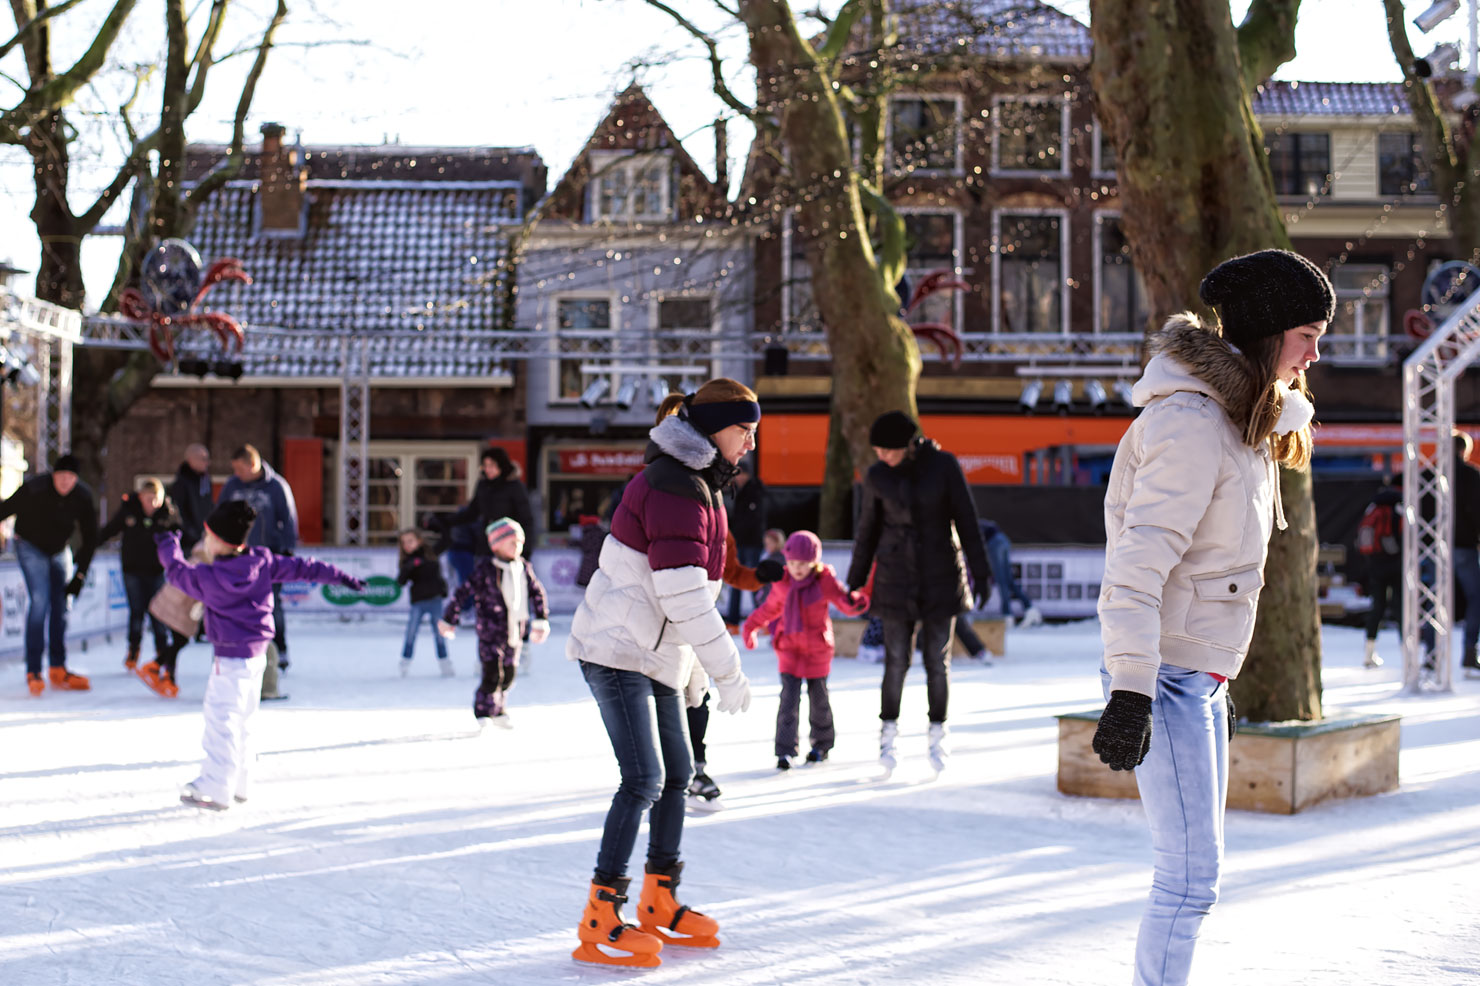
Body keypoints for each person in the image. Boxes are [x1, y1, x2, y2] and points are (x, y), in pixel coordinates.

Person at [1092, 248, 1330, 986]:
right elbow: (1137, 564)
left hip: (1195, 677)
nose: (1317, 353)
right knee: (1190, 879)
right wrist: (1132, 689)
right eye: (1306, 335)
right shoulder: (1194, 425)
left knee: (1196, 876)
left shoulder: (1243, 422)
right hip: (1164, 678)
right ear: (1265, 333)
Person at [565, 378, 758, 968]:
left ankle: (660, 900)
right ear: (712, 428)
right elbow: (684, 597)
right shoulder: (674, 484)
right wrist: (727, 670)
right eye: (743, 430)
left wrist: (695, 669)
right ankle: (601, 915)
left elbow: (696, 590)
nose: (750, 443)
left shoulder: (703, 485)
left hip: (658, 654)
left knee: (679, 774)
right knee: (644, 779)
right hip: (618, 650)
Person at [157, 500, 364, 810]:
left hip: (229, 659)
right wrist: (341, 576)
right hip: (257, 657)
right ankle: (240, 781)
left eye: (207, 536)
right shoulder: (262, 562)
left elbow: (175, 570)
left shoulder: (209, 578)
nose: (204, 542)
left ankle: (216, 785)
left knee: (221, 718)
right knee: (244, 719)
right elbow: (306, 568)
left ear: (220, 541)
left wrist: (166, 537)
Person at [846, 411, 992, 774]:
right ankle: (888, 735)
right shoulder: (877, 476)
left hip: (940, 575)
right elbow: (868, 531)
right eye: (877, 449)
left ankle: (937, 735)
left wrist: (982, 572)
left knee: (936, 662)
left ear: (909, 445)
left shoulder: (943, 466)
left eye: (888, 449)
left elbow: (967, 521)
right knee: (895, 661)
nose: (882, 455)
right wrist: (854, 580)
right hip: (895, 579)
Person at [742, 530, 868, 769]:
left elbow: (844, 602)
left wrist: (858, 600)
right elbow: (768, 610)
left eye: (803, 563)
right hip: (789, 650)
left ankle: (821, 744)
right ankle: (785, 750)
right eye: (792, 563)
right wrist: (750, 627)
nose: (797, 568)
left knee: (819, 700)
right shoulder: (783, 583)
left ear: (814, 562)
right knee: (788, 702)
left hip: (817, 651)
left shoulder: (824, 582)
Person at [687, 527, 784, 810]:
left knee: (698, 697)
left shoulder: (720, 524)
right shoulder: (670, 502)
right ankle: (657, 776)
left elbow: (731, 571)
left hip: (699, 622)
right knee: (666, 699)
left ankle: (696, 770)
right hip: (660, 624)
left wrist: (758, 577)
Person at [0, 453, 99, 695]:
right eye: (61, 476)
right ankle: (34, 670)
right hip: (30, 545)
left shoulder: (83, 497)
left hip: (59, 549)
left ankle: (58, 666)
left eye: (71, 477)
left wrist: (80, 577)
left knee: (62, 604)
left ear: (76, 479)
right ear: (53, 475)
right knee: (40, 602)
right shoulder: (35, 488)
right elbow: (5, 509)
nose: (65, 482)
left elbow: (90, 539)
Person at [438, 518, 550, 727]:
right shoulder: (486, 569)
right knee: (491, 673)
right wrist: (449, 618)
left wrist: (541, 619)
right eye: (511, 542)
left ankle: (499, 710)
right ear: (497, 545)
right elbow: (463, 592)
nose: (517, 547)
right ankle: (483, 712)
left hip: (514, 630)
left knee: (508, 674)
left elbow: (537, 593)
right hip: (489, 631)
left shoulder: (523, 568)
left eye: (520, 542)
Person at [97, 478, 188, 694]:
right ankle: (133, 650)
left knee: (159, 614)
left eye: (155, 500)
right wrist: (90, 545)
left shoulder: (168, 513)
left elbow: (182, 534)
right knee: (136, 612)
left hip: (157, 571)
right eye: (148, 499)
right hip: (132, 570)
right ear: (141, 497)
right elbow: (110, 529)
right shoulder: (130, 510)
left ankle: (160, 654)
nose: (152, 504)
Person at [217, 444, 298, 681]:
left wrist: (286, 555)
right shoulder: (232, 486)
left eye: (240, 469)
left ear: (252, 464)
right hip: (236, 558)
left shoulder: (276, 487)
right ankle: (241, 652)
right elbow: (219, 516)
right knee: (236, 605)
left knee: (270, 606)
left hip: (267, 559)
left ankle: (278, 650)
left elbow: (289, 522)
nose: (237, 474)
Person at [440, 446, 536, 561]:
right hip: (486, 544)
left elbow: (526, 519)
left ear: (501, 465)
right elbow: (472, 512)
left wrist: (525, 549)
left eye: (491, 465)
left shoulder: (515, 487)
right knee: (483, 576)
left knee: (505, 578)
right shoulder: (483, 486)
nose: (487, 469)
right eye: (485, 466)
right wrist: (445, 520)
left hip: (508, 545)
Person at [1356, 474, 1403, 669]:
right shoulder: (1399, 505)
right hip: (1396, 563)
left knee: (1377, 606)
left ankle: (1369, 652)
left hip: (1375, 563)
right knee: (1401, 607)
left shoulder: (1373, 506)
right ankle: (1408, 653)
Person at [397, 528, 453, 678]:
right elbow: (400, 582)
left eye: (410, 541)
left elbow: (447, 540)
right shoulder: (407, 561)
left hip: (435, 600)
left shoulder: (431, 554)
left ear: (419, 540)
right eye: (404, 543)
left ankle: (445, 663)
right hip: (418, 603)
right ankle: (405, 663)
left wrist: (438, 523)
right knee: (411, 633)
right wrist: (409, 567)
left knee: (440, 634)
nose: (407, 545)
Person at [1449, 432, 1480, 679]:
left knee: (1433, 598)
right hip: (1465, 546)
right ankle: (1469, 651)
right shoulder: (1472, 476)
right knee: (1475, 598)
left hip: (1435, 546)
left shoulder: (1429, 475)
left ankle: (1430, 654)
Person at [722, 460, 766, 626]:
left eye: (740, 475)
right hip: (741, 542)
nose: (738, 479)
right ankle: (734, 619)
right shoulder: (742, 491)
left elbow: (752, 520)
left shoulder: (754, 492)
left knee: (752, 580)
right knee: (737, 580)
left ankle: (761, 618)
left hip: (751, 543)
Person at [169, 443, 215, 552]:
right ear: (191, 460)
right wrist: (193, 535)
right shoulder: (181, 483)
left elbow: (209, 508)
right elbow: (178, 513)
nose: (207, 462)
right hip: (188, 544)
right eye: (203, 459)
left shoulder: (206, 481)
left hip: (205, 540)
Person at [753, 528, 786, 608]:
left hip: (774, 598)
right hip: (767, 597)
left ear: (778, 543)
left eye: (770, 543)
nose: (767, 546)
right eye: (766, 544)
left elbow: (770, 583)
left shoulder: (779, 559)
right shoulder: (767, 556)